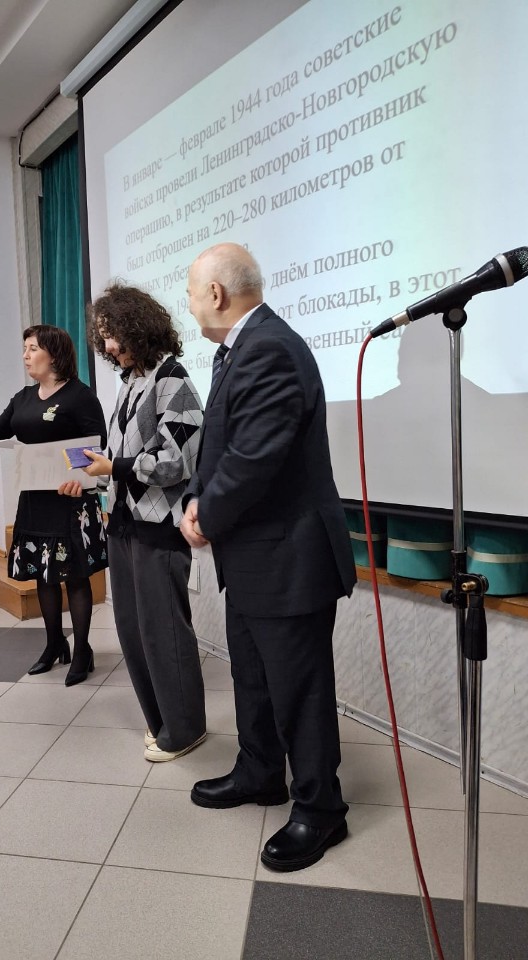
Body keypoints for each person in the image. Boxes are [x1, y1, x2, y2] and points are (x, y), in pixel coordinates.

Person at [180, 243, 357, 871]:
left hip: (289, 558)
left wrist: (206, 514)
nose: (189, 305)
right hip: (256, 555)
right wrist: (198, 495)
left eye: (191, 292)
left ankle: (321, 809)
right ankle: (259, 772)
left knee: (299, 690)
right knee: (253, 677)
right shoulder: (238, 350)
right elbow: (220, 447)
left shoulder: (270, 349)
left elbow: (255, 458)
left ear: (217, 294)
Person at [67, 282, 206, 761]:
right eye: (103, 336)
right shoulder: (132, 382)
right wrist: (95, 473)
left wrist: (115, 467)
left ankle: (184, 729)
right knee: (131, 630)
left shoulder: (175, 380)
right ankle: (161, 721)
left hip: (159, 529)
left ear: (137, 328)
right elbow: (122, 456)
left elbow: (176, 461)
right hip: (124, 525)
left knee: (163, 631)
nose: (106, 346)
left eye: (112, 335)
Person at [0, 325, 107, 686]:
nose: (25, 356)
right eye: (25, 348)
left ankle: (82, 651)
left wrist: (80, 478)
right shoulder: (24, 397)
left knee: (75, 576)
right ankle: (54, 644)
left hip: (71, 497)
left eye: (32, 348)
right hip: (35, 497)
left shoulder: (80, 396)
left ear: (54, 354)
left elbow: (98, 444)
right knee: (43, 576)